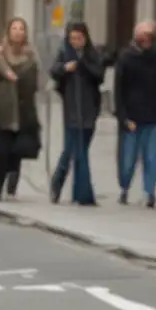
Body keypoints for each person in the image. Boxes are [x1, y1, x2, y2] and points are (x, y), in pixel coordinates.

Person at [0, 17, 41, 202]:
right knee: (1, 150)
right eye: (14, 28)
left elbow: (35, 83)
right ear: (8, 32)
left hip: (22, 109)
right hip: (1, 110)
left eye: (21, 28)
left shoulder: (30, 57)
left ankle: (12, 186)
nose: (18, 32)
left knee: (17, 150)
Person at [111, 21, 156, 207]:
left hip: (152, 117)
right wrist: (123, 116)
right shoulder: (126, 58)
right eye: (142, 35)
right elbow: (119, 90)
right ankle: (124, 187)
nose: (146, 39)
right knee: (128, 160)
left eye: (149, 35)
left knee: (151, 158)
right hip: (131, 118)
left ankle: (149, 192)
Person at [49, 22, 104, 206]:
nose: (76, 42)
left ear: (85, 38)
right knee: (76, 151)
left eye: (79, 38)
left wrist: (83, 65)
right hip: (72, 110)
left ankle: (58, 182)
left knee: (75, 151)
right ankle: (83, 194)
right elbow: (54, 71)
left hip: (89, 109)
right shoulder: (65, 53)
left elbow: (99, 75)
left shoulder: (92, 54)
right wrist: (66, 68)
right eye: (72, 38)